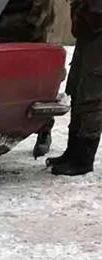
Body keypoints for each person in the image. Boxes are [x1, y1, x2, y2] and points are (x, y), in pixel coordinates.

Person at [0, 0, 57, 157]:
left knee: (37, 89)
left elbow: (41, 15)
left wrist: (2, 26)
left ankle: (44, 130)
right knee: (0, 88)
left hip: (27, 37)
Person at [48, 0, 102, 175]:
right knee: (77, 90)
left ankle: (83, 160)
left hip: (98, 32)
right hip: (89, 30)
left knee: (91, 96)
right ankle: (73, 152)